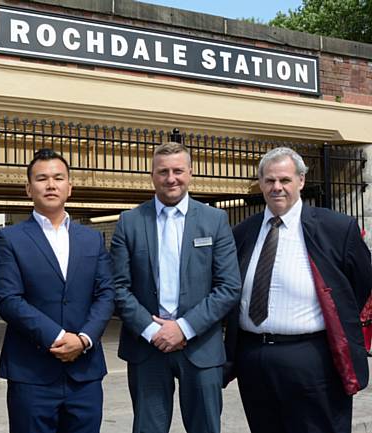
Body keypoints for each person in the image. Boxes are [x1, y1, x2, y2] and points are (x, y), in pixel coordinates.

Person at [224, 147, 372, 433]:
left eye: (285, 180)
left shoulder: (336, 228)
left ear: (301, 181)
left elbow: (360, 284)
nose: (276, 187)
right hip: (254, 359)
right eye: (269, 180)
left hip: (314, 360)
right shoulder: (243, 232)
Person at [110, 141, 241, 433]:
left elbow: (229, 286)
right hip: (147, 348)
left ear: (191, 173)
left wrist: (183, 327)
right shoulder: (129, 222)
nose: (171, 178)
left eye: (178, 170)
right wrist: (153, 330)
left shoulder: (215, 220)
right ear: (152, 175)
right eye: (163, 171)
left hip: (201, 346)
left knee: (206, 427)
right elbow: (118, 287)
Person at [0, 149, 115, 433]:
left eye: (58, 178)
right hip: (31, 373)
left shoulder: (92, 239)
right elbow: (8, 300)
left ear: (69, 187)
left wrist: (83, 340)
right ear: (28, 189)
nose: (50, 184)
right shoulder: (9, 239)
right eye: (42, 178)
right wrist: (59, 338)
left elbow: (106, 293)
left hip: (85, 374)